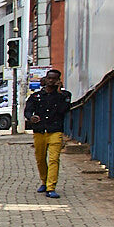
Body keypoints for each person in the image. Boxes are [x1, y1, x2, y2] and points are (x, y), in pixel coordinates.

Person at [24, 68, 71, 199]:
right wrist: (31, 118)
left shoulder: (65, 96)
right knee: (40, 158)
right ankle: (44, 181)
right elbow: (27, 111)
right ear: (45, 79)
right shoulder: (36, 96)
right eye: (49, 78)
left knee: (54, 159)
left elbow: (63, 110)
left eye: (54, 79)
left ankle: (51, 187)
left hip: (55, 131)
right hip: (39, 131)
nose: (51, 81)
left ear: (58, 81)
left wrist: (59, 92)